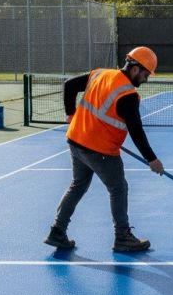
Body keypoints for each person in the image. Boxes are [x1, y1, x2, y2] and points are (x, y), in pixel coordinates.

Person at [44, 46, 165, 252]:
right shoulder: (127, 94)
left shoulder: (100, 74)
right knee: (118, 189)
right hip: (100, 150)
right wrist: (152, 159)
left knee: (78, 185)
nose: (146, 79)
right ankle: (122, 237)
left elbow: (69, 85)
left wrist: (70, 115)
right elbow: (136, 131)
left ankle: (57, 230)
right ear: (135, 69)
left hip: (76, 141)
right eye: (145, 74)